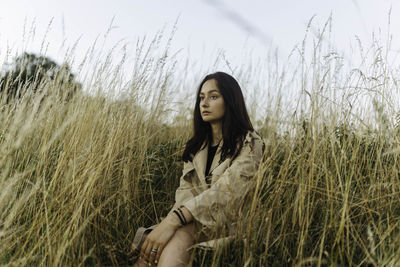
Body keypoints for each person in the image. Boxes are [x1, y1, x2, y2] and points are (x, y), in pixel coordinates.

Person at [133, 71, 265, 267]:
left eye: (213, 97)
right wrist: (174, 221)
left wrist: (174, 220)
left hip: (227, 226)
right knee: (151, 252)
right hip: (192, 222)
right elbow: (185, 192)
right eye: (201, 97)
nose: (204, 103)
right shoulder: (196, 147)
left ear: (230, 101)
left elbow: (228, 192)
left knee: (177, 235)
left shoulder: (250, 142)